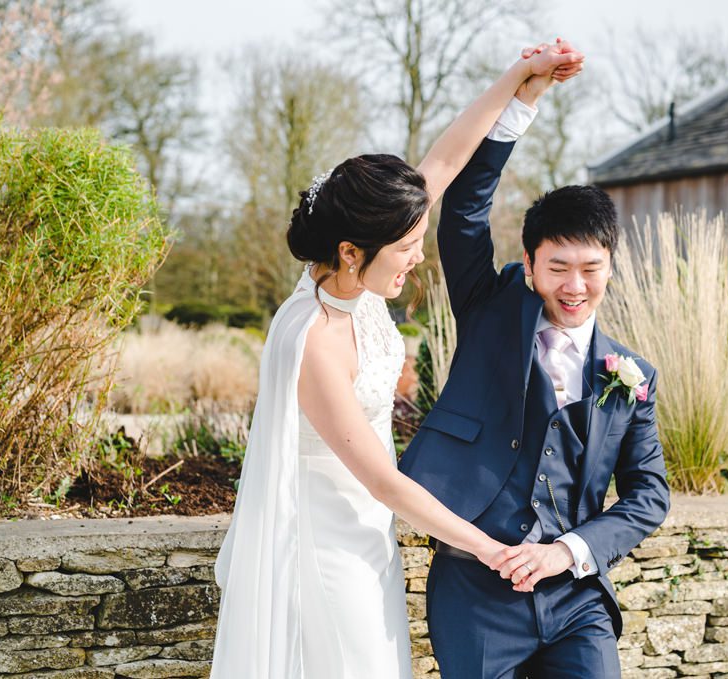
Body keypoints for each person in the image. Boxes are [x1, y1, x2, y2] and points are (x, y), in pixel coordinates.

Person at [212, 42, 584, 678]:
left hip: (368, 537)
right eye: (407, 247)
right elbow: (381, 481)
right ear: (353, 251)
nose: (418, 257)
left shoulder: (364, 265)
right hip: (324, 548)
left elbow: (444, 157)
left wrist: (521, 83)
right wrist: (489, 550)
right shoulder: (315, 338)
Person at [397, 52, 669, 679]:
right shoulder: (490, 310)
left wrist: (568, 553)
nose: (575, 286)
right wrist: (523, 102)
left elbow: (648, 496)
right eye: (558, 268)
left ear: (610, 267)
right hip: (476, 593)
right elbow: (463, 212)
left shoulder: (633, 375)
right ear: (528, 264)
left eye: (591, 269)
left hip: (576, 599)